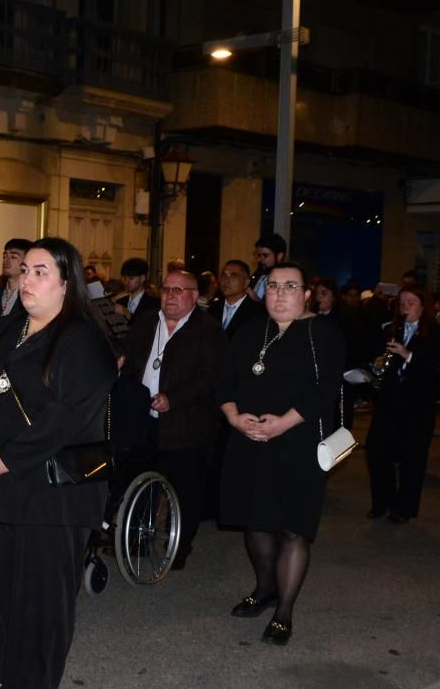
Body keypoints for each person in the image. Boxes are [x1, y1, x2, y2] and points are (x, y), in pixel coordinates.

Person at [0, 238, 115, 689]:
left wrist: (6, 456)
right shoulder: (6, 329)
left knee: (43, 593)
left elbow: (66, 419)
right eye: (25, 270)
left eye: (40, 272)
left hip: (51, 489)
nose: (26, 280)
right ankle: (6, 671)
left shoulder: (82, 341)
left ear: (68, 283)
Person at [218, 262, 343, 646]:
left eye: (290, 287)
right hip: (249, 441)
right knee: (255, 523)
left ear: (306, 294)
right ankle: (265, 587)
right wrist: (235, 418)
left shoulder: (322, 333)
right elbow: (225, 380)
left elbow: (325, 391)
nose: (280, 294)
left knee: (292, 530)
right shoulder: (250, 330)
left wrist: (282, 424)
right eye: (273, 286)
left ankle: (284, 610)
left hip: (297, 445)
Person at [120, 269, 225, 570]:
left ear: (194, 296)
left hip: (187, 425)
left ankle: (177, 546)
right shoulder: (145, 323)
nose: (170, 296)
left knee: (185, 489)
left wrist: (174, 398)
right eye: (166, 289)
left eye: (179, 290)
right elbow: (130, 361)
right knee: (139, 482)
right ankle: (137, 541)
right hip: (144, 420)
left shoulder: (208, 330)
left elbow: (210, 378)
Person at [365, 283, 440, 524]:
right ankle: (382, 502)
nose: (405, 308)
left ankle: (404, 508)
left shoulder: (437, 332)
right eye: (401, 303)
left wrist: (407, 355)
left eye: (411, 303)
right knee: (377, 450)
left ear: (423, 306)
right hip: (390, 402)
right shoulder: (391, 330)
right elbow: (380, 362)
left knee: (413, 458)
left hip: (418, 404)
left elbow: (435, 370)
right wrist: (378, 365)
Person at [208, 259, 267, 339]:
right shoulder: (212, 309)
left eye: (233, 276)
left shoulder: (258, 312)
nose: (226, 280)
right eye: (223, 275)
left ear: (246, 282)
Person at [249, 233, 287, 301]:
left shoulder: (286, 281)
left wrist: (257, 300)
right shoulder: (258, 273)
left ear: (279, 256)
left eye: (265, 255)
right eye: (258, 255)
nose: (259, 259)